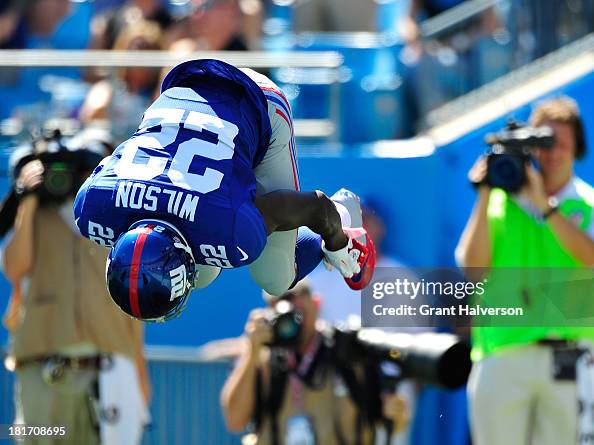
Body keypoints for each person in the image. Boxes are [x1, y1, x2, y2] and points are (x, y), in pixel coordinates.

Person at [73, 58, 377, 323]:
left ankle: (345, 208)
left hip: (256, 101)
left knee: (273, 276)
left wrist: (337, 242)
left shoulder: (228, 226)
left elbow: (314, 207)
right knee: (203, 273)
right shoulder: (92, 207)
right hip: (182, 89)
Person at [456, 96, 594, 445]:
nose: (552, 153)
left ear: (578, 150)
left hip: (570, 358)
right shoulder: (498, 204)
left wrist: (545, 206)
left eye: (562, 144)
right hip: (503, 353)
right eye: (543, 143)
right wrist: (483, 194)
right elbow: (473, 268)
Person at [2, 130, 150, 444]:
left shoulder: (115, 220)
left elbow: (132, 311)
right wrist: (26, 200)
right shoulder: (37, 213)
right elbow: (14, 268)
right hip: (43, 371)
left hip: (108, 371)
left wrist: (140, 377)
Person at [220, 279, 410, 444]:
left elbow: (390, 417)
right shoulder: (261, 358)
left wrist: (396, 413)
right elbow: (234, 421)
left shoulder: (348, 352)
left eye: (296, 296)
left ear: (317, 302)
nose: (290, 306)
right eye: (279, 300)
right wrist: (252, 352)